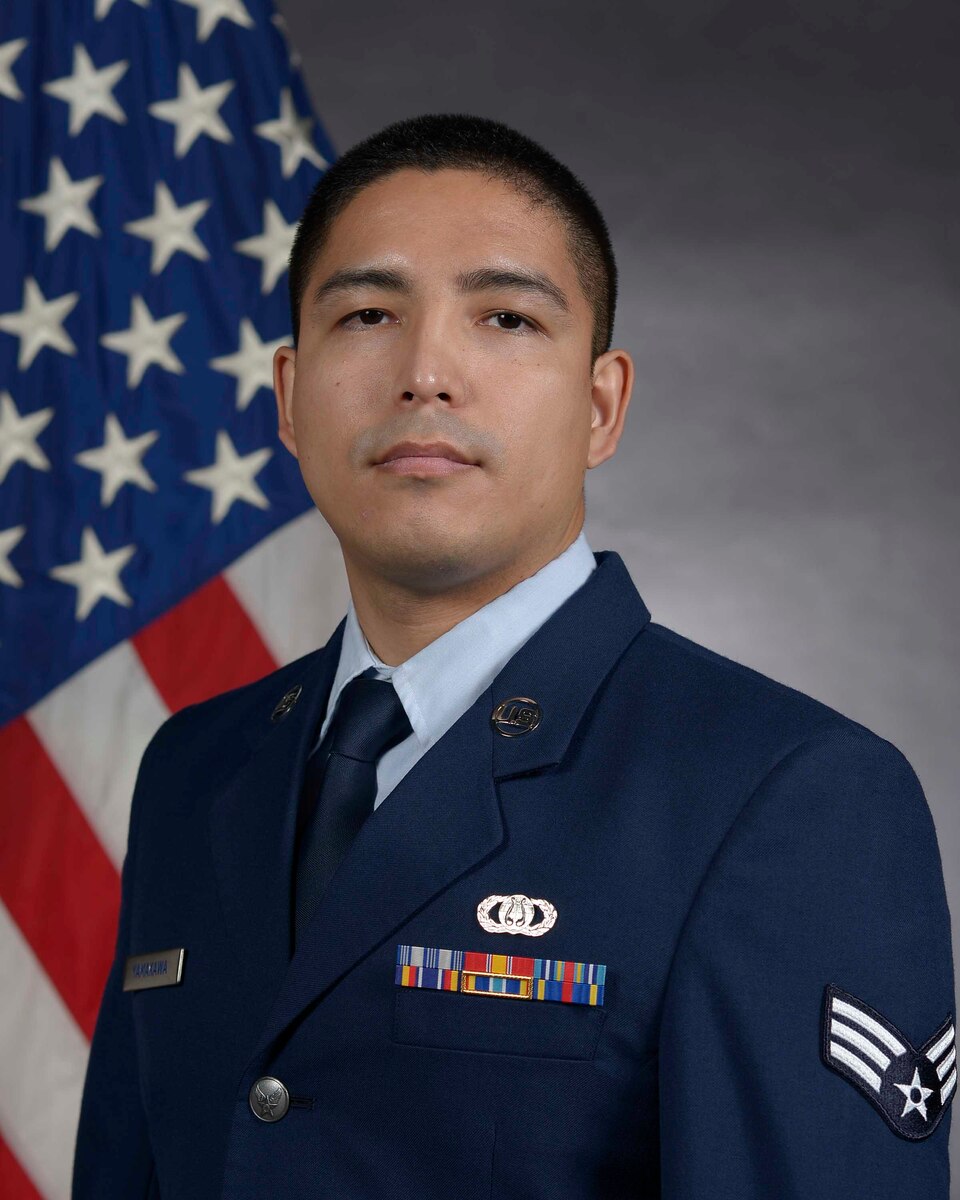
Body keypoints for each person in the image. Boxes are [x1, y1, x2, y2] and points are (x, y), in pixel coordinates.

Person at [72, 113, 955, 1199]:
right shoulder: (195, 769)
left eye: (504, 317)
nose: (426, 372)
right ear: (290, 400)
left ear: (600, 406)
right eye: (366, 313)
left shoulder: (785, 798)